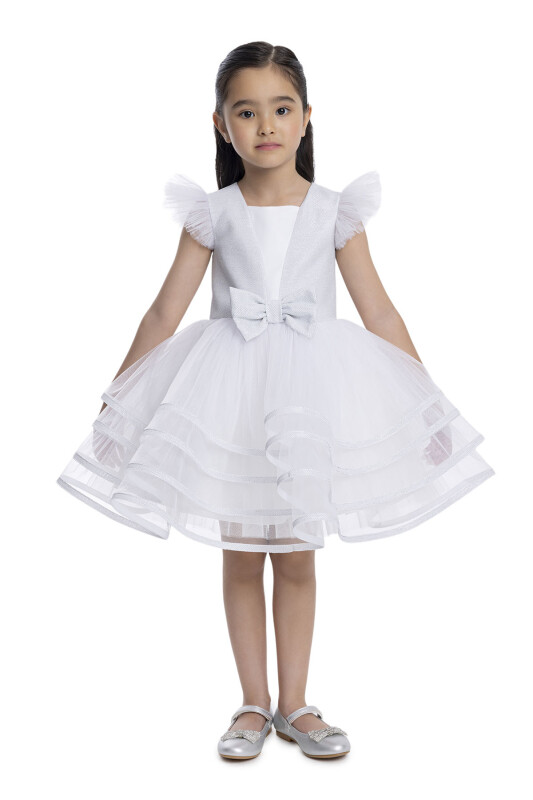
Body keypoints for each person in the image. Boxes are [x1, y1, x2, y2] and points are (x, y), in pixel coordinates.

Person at [56, 41, 495, 760]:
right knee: (240, 553)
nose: (266, 125)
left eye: (281, 109)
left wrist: (425, 405)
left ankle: (296, 704)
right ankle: (252, 703)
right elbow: (164, 313)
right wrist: (117, 402)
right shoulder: (212, 214)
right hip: (227, 397)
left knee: (295, 554)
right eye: (246, 111)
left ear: (307, 117)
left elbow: (380, 313)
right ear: (220, 124)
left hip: (309, 400)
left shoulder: (334, 212)